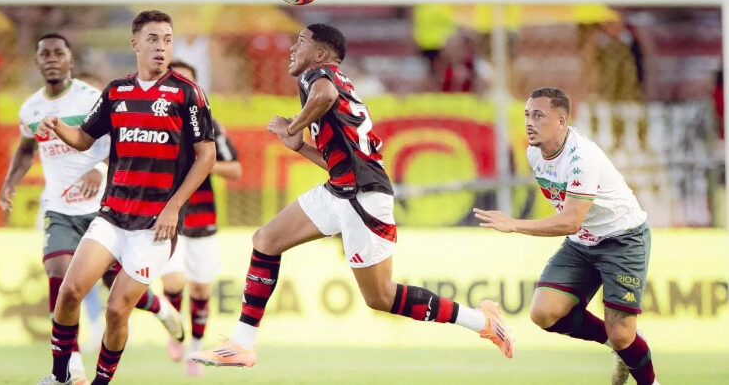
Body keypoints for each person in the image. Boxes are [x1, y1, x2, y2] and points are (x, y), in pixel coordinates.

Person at [188, 23, 514, 369]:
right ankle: (242, 343)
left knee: (382, 296)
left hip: (363, 196)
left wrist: (293, 126)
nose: (292, 48)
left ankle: (482, 321)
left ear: (321, 54)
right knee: (266, 240)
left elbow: (324, 96)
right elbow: (339, 155)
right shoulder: (336, 83)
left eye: (300, 42)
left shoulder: (318, 76)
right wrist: (299, 145)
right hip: (341, 188)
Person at [36, 10, 216, 385]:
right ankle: (60, 377)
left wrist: (173, 207)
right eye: (153, 39)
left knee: (118, 311)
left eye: (167, 39)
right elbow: (85, 139)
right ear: (134, 44)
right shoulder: (117, 91)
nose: (161, 46)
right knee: (69, 291)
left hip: (155, 226)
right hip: (112, 214)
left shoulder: (187, 93)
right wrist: (58, 128)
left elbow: (207, 156)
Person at [0, 33, 186, 385]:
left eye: (59, 52)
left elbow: (122, 140)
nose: (52, 59)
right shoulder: (31, 108)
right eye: (44, 54)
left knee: (117, 288)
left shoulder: (91, 97)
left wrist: (98, 169)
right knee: (61, 279)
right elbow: (26, 148)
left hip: (105, 209)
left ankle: (160, 309)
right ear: (37, 62)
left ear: (70, 59)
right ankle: (71, 372)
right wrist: (10, 181)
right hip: (59, 209)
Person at [473, 87, 658, 385]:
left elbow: (571, 221)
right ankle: (622, 348)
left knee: (623, 333)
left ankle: (640, 367)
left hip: (621, 237)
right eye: (527, 115)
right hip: (584, 241)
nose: (530, 122)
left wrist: (514, 224)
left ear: (561, 120)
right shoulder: (534, 151)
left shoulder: (581, 158)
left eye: (539, 115)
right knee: (544, 313)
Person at [160, 60, 243, 377]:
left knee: (200, 290)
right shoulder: (157, 125)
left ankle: (194, 347)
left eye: (189, 83)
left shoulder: (212, 126)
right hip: (168, 216)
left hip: (203, 216)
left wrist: (204, 162)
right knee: (174, 281)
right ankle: (175, 333)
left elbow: (235, 169)